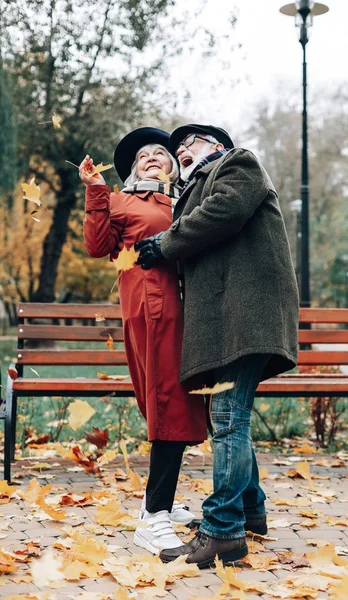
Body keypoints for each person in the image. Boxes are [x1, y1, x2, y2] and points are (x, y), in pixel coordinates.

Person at [135, 124, 299, 568]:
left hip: (246, 316)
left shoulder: (236, 163)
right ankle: (251, 510)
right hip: (229, 322)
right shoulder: (191, 191)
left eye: (193, 142)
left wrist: (164, 244)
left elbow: (224, 211)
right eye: (179, 147)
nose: (182, 149)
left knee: (227, 418)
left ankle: (222, 529)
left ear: (219, 146)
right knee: (230, 417)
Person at [81, 127, 207, 555]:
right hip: (154, 308)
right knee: (169, 402)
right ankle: (153, 519)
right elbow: (97, 246)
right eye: (143, 156)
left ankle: (163, 507)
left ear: (173, 164)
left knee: (181, 402)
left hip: (190, 311)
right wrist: (97, 192)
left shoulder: (183, 199)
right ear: (132, 169)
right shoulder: (122, 201)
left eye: (160, 153)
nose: (152, 157)